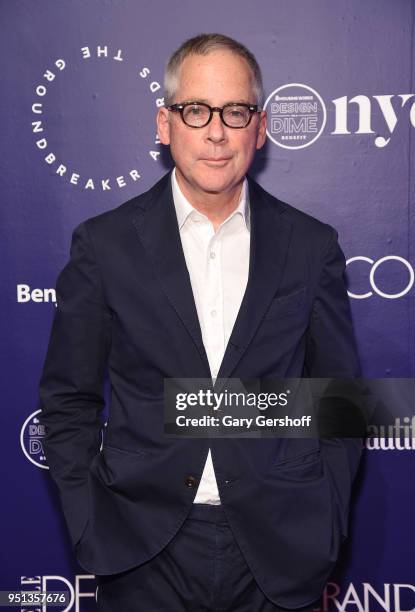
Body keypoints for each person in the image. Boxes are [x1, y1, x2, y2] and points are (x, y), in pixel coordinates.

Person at [39, 33, 362, 611]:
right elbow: (69, 398)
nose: (216, 131)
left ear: (259, 128)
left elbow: (338, 400)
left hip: (279, 550)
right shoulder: (105, 244)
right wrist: (90, 520)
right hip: (141, 548)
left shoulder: (311, 247)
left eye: (235, 111)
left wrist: (325, 520)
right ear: (165, 124)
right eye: (196, 110)